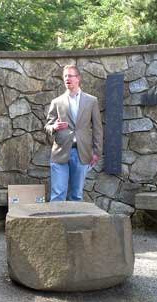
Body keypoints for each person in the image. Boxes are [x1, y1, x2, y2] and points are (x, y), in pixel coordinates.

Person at [45, 64, 103, 202]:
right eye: (65, 76)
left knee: (76, 195)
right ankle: (56, 223)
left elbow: (97, 128)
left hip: (82, 152)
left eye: (70, 75)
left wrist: (97, 152)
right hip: (60, 152)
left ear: (78, 78)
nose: (67, 78)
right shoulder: (57, 102)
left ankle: (73, 223)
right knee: (57, 194)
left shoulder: (91, 101)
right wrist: (54, 127)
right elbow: (47, 126)